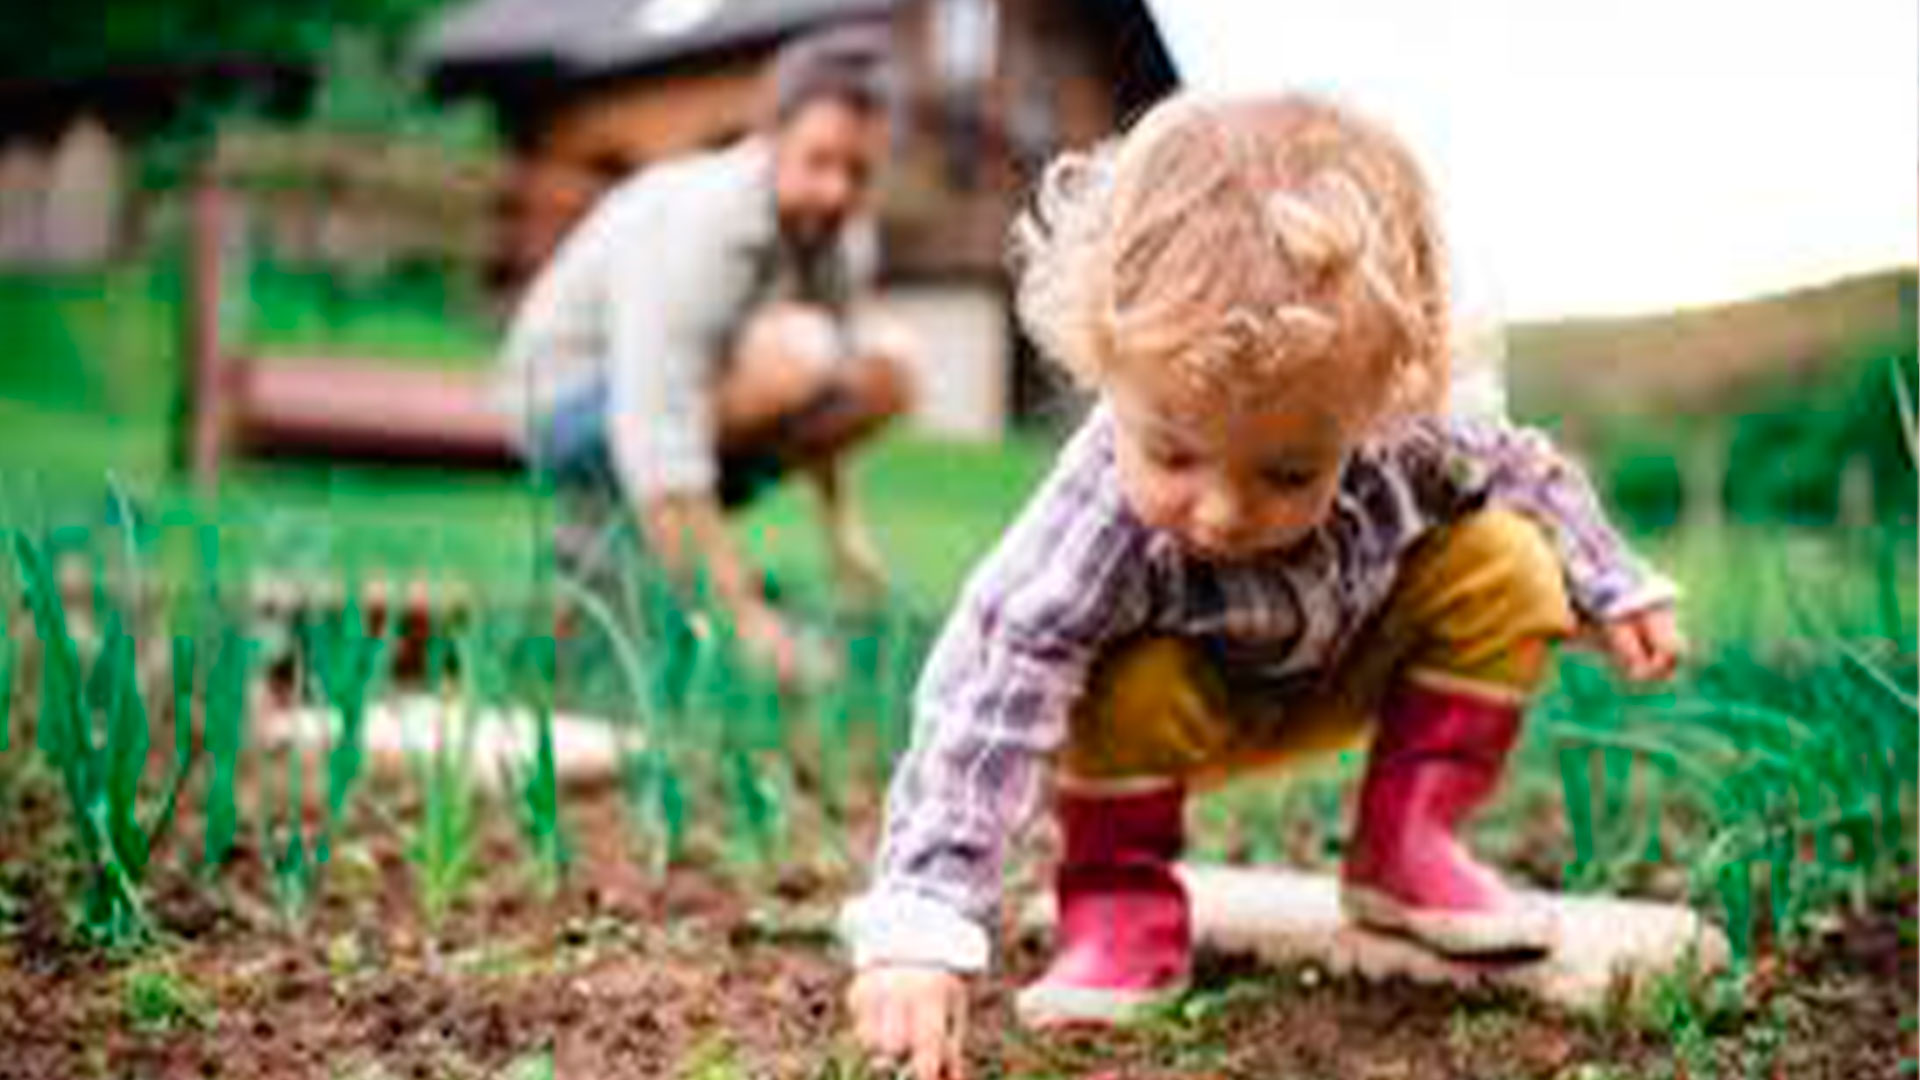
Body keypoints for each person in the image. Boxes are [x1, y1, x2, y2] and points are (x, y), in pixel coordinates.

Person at [839, 92, 1685, 1078]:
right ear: (1108, 373)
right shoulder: (1096, 514)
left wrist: (1614, 584)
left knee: (1506, 562)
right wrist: (925, 921)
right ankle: (1117, 895)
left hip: (1340, 667)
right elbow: (990, 690)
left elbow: (1520, 467)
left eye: (1287, 471)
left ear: (1378, 403)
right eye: (1174, 453)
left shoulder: (1408, 431)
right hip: (1169, 716)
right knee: (1097, 662)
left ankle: (1405, 846)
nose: (1224, 512)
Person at [496, 24, 917, 682]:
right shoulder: (702, 224)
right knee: (800, 353)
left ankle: (664, 560)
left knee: (887, 372)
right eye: (819, 161)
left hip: (681, 404)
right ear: (772, 139)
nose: (837, 190)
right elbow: (656, 432)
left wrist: (844, 538)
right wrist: (747, 621)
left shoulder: (839, 236)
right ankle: (625, 559)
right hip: (562, 409)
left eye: (858, 171)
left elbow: (830, 395)